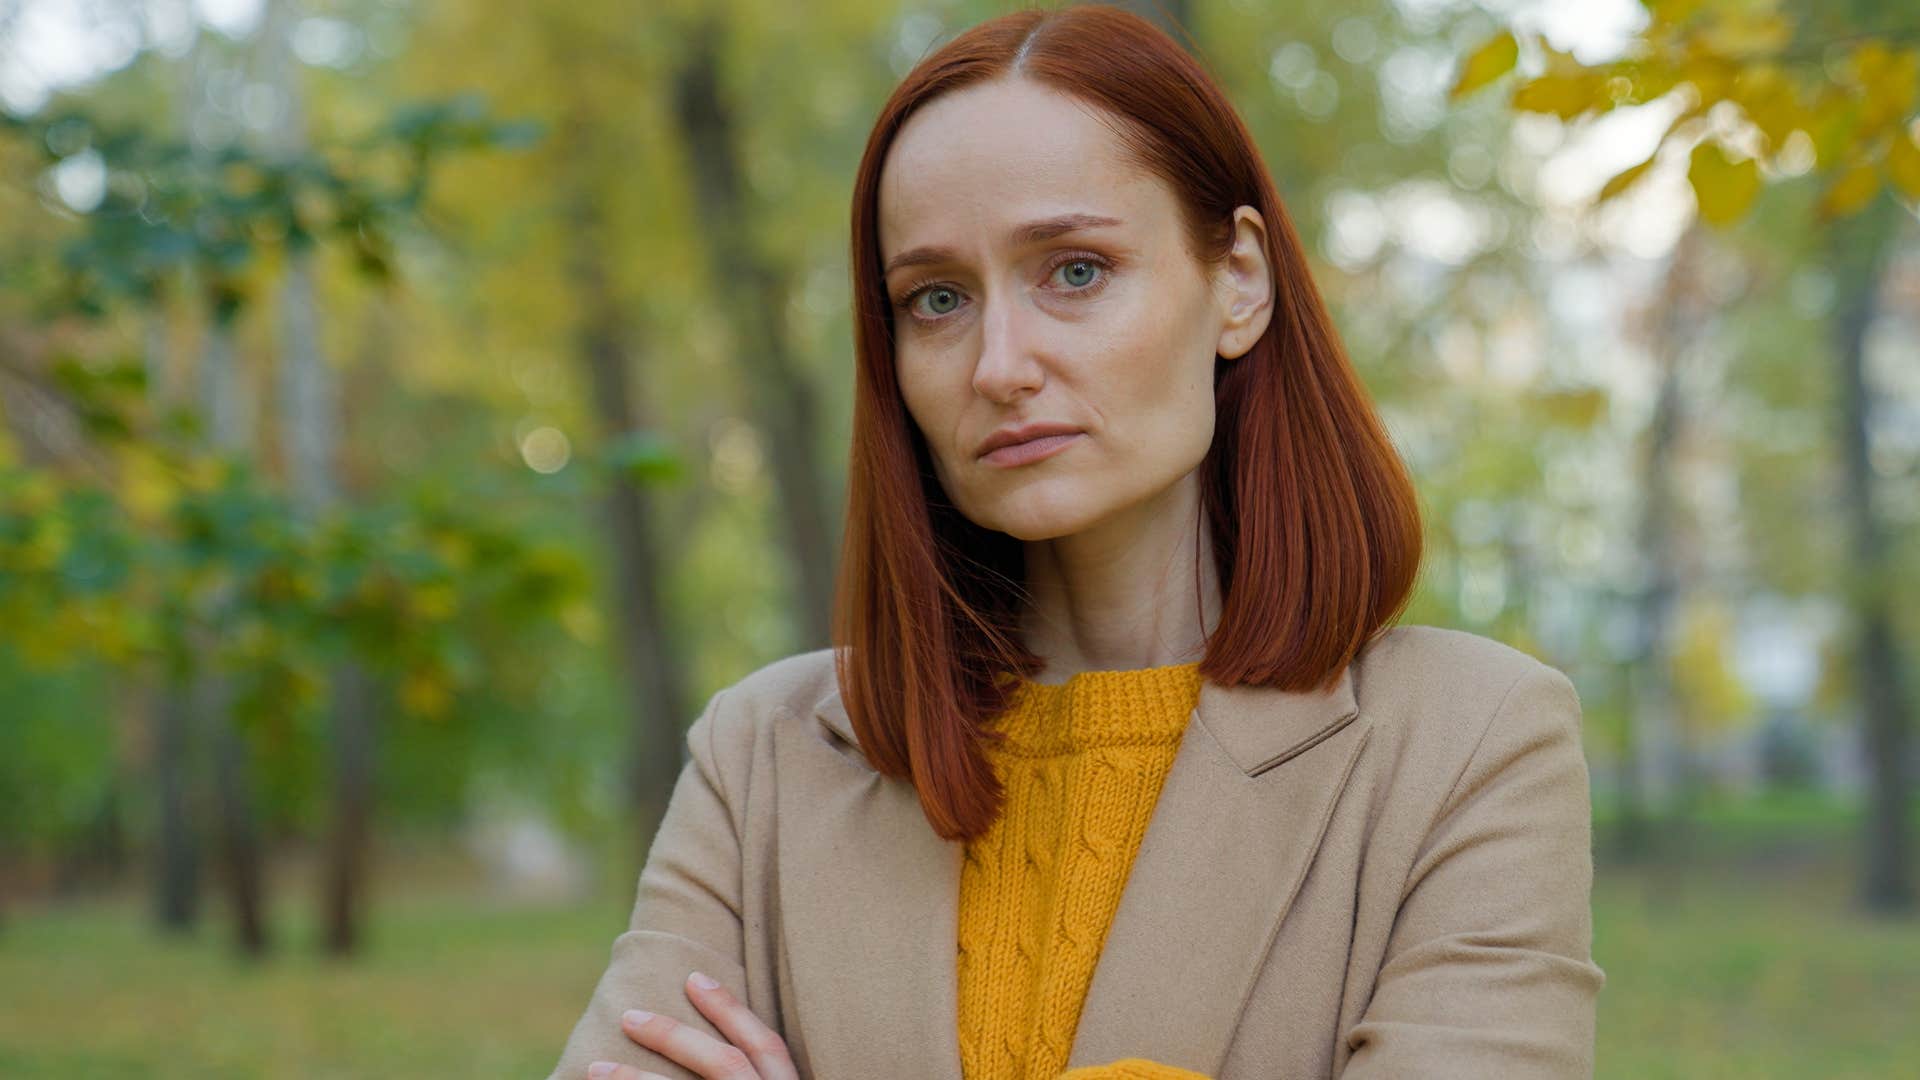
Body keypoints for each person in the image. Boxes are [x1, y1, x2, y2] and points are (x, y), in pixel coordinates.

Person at [547, 6, 1604, 1079]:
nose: (999, 364)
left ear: (1237, 280)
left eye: (1076, 271)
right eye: (938, 298)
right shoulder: (759, 758)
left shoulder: (1472, 742)